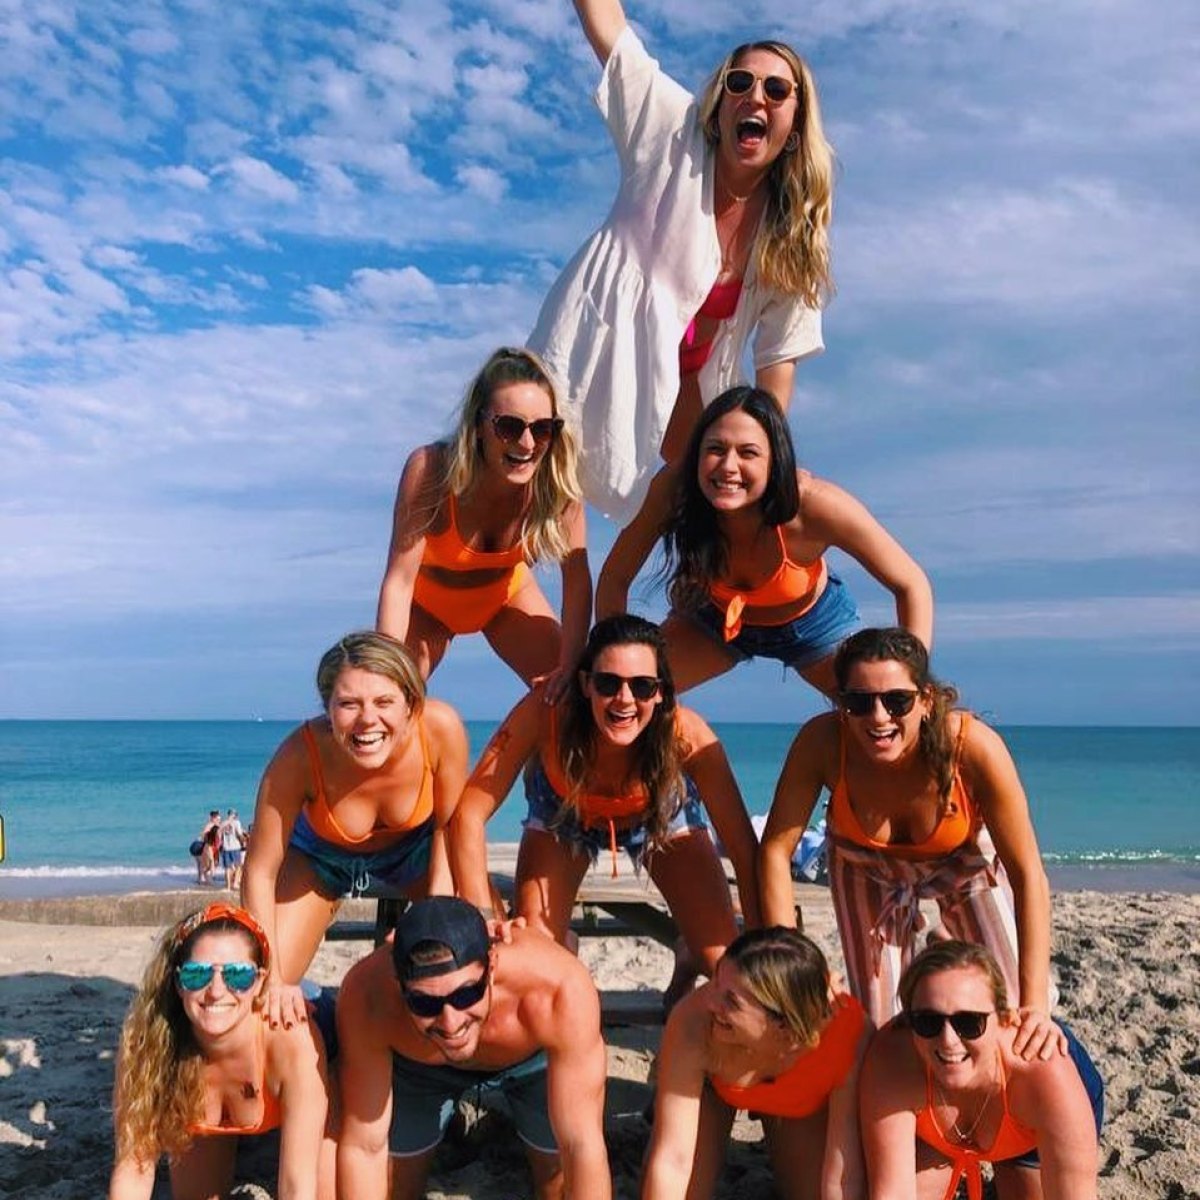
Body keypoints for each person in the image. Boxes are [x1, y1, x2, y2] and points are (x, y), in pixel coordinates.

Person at [528, 0, 835, 521]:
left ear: (796, 121)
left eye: (777, 90)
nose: (755, 96)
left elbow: (777, 359)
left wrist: (771, 456)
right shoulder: (672, 131)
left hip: (694, 381)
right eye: (740, 83)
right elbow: (609, 28)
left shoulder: (792, 229)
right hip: (597, 341)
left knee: (727, 496)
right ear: (720, 101)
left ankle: (713, 599)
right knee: (534, 476)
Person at [759, 627, 1060, 1059]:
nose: (878, 717)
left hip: (963, 862)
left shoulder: (972, 747)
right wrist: (795, 969)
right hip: (866, 867)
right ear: (841, 704)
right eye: (859, 702)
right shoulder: (822, 743)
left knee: (1009, 1011)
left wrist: (1034, 1006)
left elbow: (1029, 874)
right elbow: (774, 851)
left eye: (896, 700)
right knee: (882, 1030)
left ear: (926, 700)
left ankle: (943, 939)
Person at [450, 613, 761, 994]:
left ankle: (690, 950)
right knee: (535, 962)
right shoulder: (546, 712)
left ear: (661, 691)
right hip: (565, 815)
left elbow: (744, 851)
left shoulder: (687, 734)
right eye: (608, 683)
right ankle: (565, 942)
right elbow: (469, 811)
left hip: (659, 815)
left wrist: (770, 951)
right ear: (585, 683)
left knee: (723, 965)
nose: (625, 699)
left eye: (643, 686)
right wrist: (481, 919)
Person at [597, 387, 933, 697]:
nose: (729, 466)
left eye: (748, 453)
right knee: (621, 695)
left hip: (814, 624)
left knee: (890, 710)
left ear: (775, 463)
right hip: (710, 618)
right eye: (715, 449)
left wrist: (914, 679)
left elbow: (911, 583)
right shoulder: (675, 490)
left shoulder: (815, 506)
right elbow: (616, 577)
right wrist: (609, 662)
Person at [242, 631, 469, 1029]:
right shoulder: (299, 755)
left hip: (418, 850)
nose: (368, 719)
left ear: (411, 706)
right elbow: (260, 870)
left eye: (384, 702)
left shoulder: (439, 729)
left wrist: (436, 921)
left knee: (471, 959)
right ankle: (319, 1011)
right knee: (259, 997)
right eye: (348, 704)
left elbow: (448, 831)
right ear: (327, 708)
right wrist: (273, 979)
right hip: (319, 857)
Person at [336, 896, 612, 1200]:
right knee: (394, 1186)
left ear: (491, 966)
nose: (450, 1022)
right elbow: (364, 1147)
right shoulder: (367, 996)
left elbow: (581, 1144)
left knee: (556, 1183)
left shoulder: (558, 988)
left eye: (467, 994)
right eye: (425, 1002)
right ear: (397, 984)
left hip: (531, 1062)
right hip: (421, 1070)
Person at [376, 346, 590, 695]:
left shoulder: (558, 484)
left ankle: (530, 750)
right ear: (477, 426)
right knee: (390, 701)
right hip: (426, 608)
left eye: (543, 429)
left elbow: (577, 583)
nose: (527, 443)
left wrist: (570, 666)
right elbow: (399, 583)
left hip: (505, 599)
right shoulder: (432, 470)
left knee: (573, 700)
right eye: (509, 426)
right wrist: (381, 676)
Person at [108, 902, 332, 1200]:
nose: (215, 990)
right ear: (177, 982)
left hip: (326, 1049)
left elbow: (296, 1188)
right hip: (209, 1108)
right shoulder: (147, 1043)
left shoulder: (291, 1038)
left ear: (260, 982)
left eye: (238, 975)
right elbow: (133, 1169)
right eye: (196, 975)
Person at [859, 940, 1103, 1200]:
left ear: (1004, 1018)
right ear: (909, 1021)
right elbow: (892, 1193)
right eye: (928, 1021)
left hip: (1026, 1131)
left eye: (969, 1022)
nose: (948, 1039)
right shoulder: (892, 1061)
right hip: (938, 1132)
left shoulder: (1046, 1075)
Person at [644, 927, 868, 1200]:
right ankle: (690, 956)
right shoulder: (693, 1020)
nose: (711, 1002)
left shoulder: (845, 1034)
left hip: (795, 1098)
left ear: (784, 1025)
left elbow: (844, 1167)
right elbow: (672, 1159)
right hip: (713, 1086)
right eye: (715, 982)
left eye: (731, 1001)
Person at [220, 807, 247, 891]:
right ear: (234, 815)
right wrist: (244, 840)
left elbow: (219, 835)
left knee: (227, 868)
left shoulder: (223, 823)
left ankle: (228, 886)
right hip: (235, 847)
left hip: (226, 847)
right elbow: (239, 834)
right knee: (238, 866)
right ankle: (235, 883)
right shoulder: (236, 822)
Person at [197, 809, 222, 885]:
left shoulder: (218, 825)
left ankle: (205, 875)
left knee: (215, 863)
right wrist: (206, 837)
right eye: (215, 817)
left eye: (217, 817)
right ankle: (208, 877)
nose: (217, 819)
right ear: (212, 817)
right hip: (209, 846)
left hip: (216, 847)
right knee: (210, 863)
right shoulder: (209, 825)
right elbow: (203, 834)